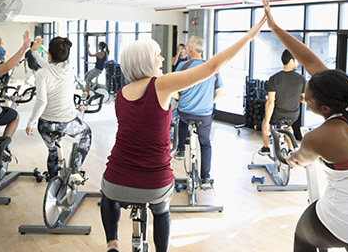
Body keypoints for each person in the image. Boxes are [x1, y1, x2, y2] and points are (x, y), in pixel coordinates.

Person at [100, 17, 266, 252]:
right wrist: (248, 37)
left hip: (117, 177)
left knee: (108, 195)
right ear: (147, 60)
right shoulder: (160, 84)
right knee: (161, 210)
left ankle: (112, 244)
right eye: (158, 55)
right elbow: (211, 68)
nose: (163, 58)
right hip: (154, 182)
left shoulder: (122, 92)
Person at [263, 0, 348, 251]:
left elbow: (299, 159)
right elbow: (311, 62)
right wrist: (275, 28)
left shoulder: (319, 137)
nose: (305, 100)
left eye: (308, 99)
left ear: (325, 109)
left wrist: (290, 158)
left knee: (305, 233)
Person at [25, 37, 92, 183]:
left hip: (45, 125)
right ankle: (76, 168)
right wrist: (39, 53)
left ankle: (53, 181)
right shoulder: (69, 70)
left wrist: (30, 123)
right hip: (67, 123)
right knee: (86, 134)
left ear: (50, 53)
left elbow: (41, 101)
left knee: (52, 149)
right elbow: (49, 65)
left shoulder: (41, 73)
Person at [172, 36, 224, 190]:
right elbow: (220, 93)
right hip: (204, 114)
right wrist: (209, 103)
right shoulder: (212, 67)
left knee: (181, 118)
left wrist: (181, 100)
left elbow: (173, 91)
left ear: (190, 49)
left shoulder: (182, 66)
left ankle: (181, 148)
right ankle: (206, 177)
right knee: (206, 143)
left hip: (186, 112)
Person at [259, 49, 306, 155]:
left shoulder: (274, 79)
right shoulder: (301, 79)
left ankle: (265, 148)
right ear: (291, 61)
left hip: (277, 114)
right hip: (293, 115)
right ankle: (291, 150)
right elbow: (303, 99)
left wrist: (267, 122)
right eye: (296, 61)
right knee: (289, 127)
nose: (297, 63)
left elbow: (270, 102)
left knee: (265, 121)